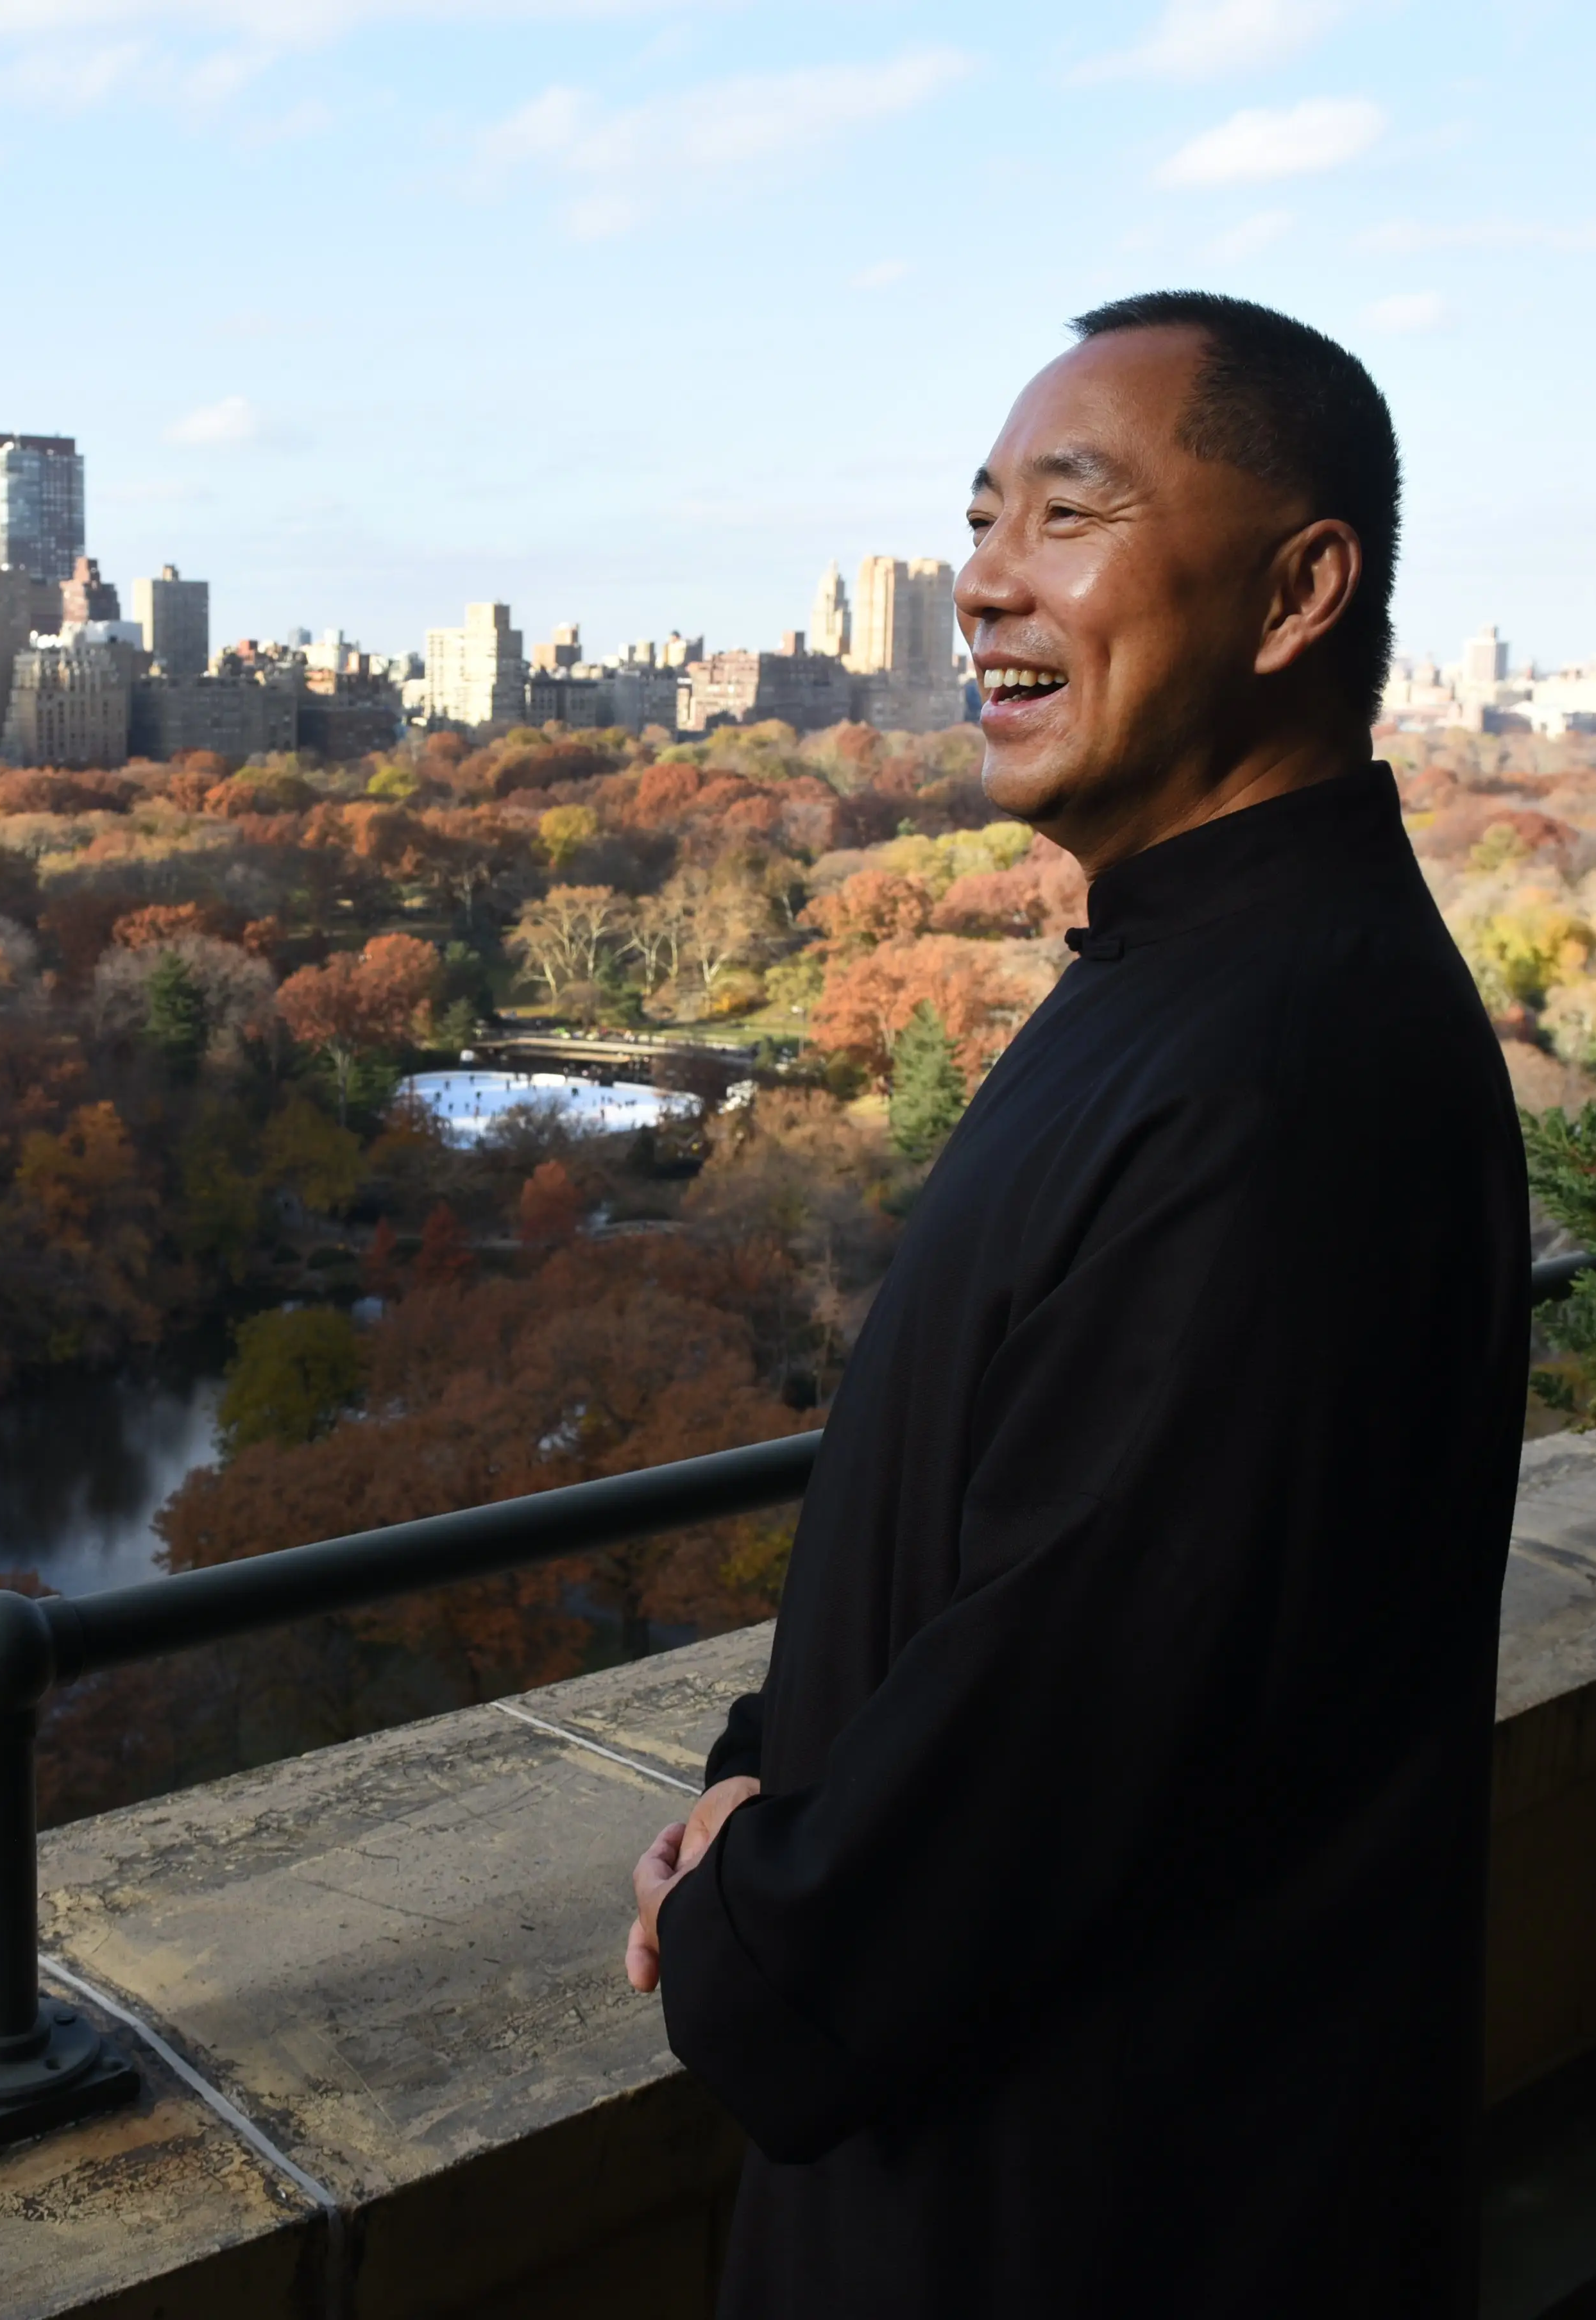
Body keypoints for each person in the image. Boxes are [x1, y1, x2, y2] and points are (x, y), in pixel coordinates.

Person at [624, 293, 1527, 2316]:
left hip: (1080, 2225)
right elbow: (993, 1518)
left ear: (1302, 591)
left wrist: (747, 1928)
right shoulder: (1200, 984)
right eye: (976, 523)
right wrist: (756, 1766)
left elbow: (1059, 1723)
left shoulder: (1275, 1089)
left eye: (1067, 512)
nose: (984, 584)